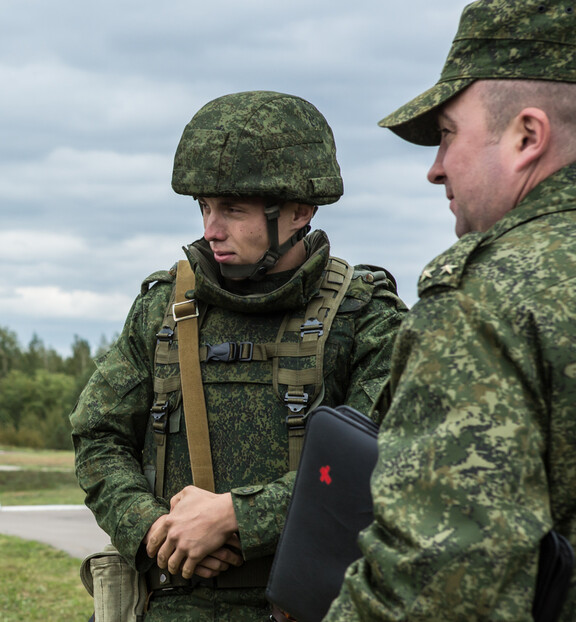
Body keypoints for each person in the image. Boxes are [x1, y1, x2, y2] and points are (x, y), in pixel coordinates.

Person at [70, 90, 407, 620]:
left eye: (232, 208)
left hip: (306, 604)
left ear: (299, 210)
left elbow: (384, 459)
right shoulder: (163, 305)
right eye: (204, 206)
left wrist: (236, 517)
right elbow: (99, 435)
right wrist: (154, 530)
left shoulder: (365, 316)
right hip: (170, 603)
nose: (210, 229)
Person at [325, 1, 576, 619]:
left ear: (526, 136)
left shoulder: (485, 299)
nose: (436, 170)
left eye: (446, 135)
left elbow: (439, 592)